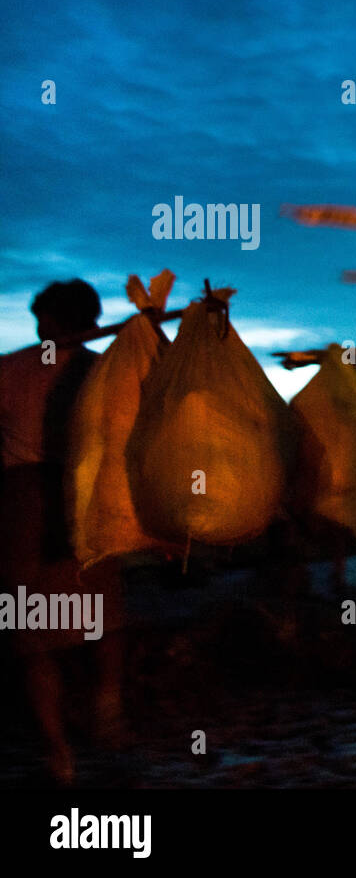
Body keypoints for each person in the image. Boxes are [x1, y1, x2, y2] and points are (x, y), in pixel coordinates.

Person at [0, 280, 125, 784]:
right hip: (90, 496)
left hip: (25, 499)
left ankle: (58, 749)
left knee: (34, 635)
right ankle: (108, 702)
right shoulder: (103, 371)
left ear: (50, 320)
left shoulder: (10, 370)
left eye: (41, 317)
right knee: (101, 613)